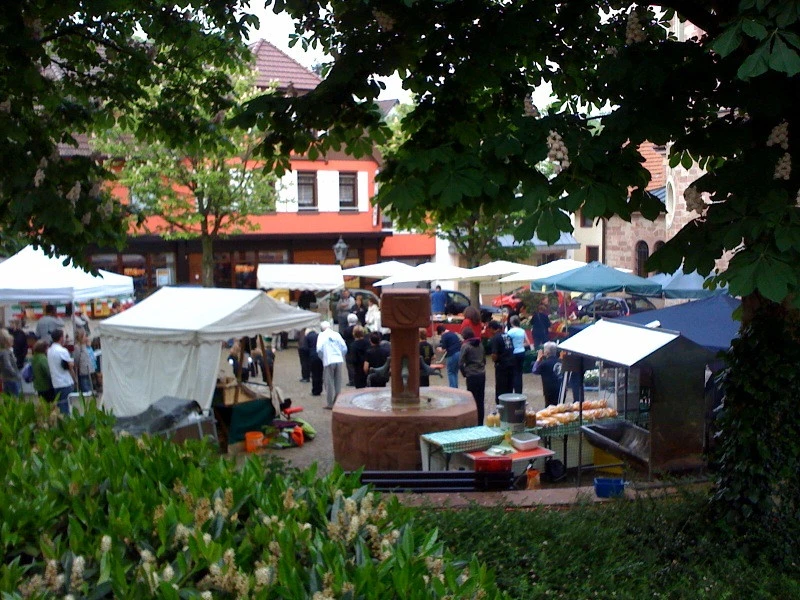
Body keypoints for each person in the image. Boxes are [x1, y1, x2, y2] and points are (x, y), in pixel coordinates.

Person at [316, 321, 347, 409]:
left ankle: (330, 403)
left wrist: (323, 358)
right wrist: (341, 355)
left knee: (329, 382)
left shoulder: (321, 335)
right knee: (338, 381)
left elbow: (319, 349)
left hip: (329, 360)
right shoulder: (337, 334)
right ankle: (337, 400)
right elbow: (344, 347)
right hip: (338, 359)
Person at [459, 326, 486, 426]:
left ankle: (473, 422)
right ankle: (480, 422)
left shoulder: (465, 346)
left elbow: (460, 363)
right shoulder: (480, 344)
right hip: (482, 374)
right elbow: (484, 359)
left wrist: (464, 373)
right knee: (480, 400)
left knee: (472, 399)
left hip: (471, 375)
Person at [47, 329, 76, 411]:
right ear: (61, 338)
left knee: (60, 405)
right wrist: (74, 378)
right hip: (65, 381)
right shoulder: (62, 351)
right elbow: (70, 365)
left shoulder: (49, 350)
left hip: (56, 382)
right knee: (66, 406)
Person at [488, 320, 514, 403]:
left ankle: (501, 405)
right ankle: (509, 403)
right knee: (509, 386)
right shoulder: (507, 336)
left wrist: (493, 359)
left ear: (492, 328)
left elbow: (494, 354)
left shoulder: (495, 338)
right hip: (511, 364)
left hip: (502, 366)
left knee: (501, 387)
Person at [533, 341, 562, 407]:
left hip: (548, 390)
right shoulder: (560, 361)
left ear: (546, 352)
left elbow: (534, 370)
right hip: (560, 389)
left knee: (549, 408)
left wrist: (538, 359)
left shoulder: (544, 363)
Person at [506, 315, 529, 394]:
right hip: (521, 352)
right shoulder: (522, 331)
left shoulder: (509, 332)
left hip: (513, 353)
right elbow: (527, 342)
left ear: (511, 322)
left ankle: (514, 389)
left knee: (514, 372)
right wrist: (520, 345)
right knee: (519, 373)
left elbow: (507, 344)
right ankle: (519, 391)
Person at [437, 324, 462, 388]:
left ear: (441, 332)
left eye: (440, 334)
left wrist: (439, 349)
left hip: (452, 354)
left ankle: (453, 389)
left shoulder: (444, 336)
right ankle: (456, 388)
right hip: (459, 353)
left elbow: (443, 349)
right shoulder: (453, 334)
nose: (440, 335)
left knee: (450, 372)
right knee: (455, 372)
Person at [0, 329, 23, 397]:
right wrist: (16, 374)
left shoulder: (3, 352)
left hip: (6, 378)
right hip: (12, 379)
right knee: (15, 397)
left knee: (8, 397)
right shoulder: (6, 352)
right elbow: (8, 366)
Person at [72, 329, 94, 394]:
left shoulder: (84, 345)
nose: (86, 337)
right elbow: (76, 358)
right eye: (85, 336)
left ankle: (89, 393)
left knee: (88, 382)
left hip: (87, 368)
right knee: (85, 383)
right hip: (83, 369)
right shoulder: (77, 347)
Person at [304, 327, 323, 396]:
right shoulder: (319, 336)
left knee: (314, 374)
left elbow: (305, 348)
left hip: (312, 356)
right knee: (320, 373)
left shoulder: (307, 337)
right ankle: (320, 389)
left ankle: (315, 390)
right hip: (320, 356)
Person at [341, 313, 359, 386]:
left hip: (349, 348)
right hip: (357, 348)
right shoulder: (358, 328)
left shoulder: (346, 330)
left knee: (350, 365)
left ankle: (352, 380)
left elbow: (344, 338)